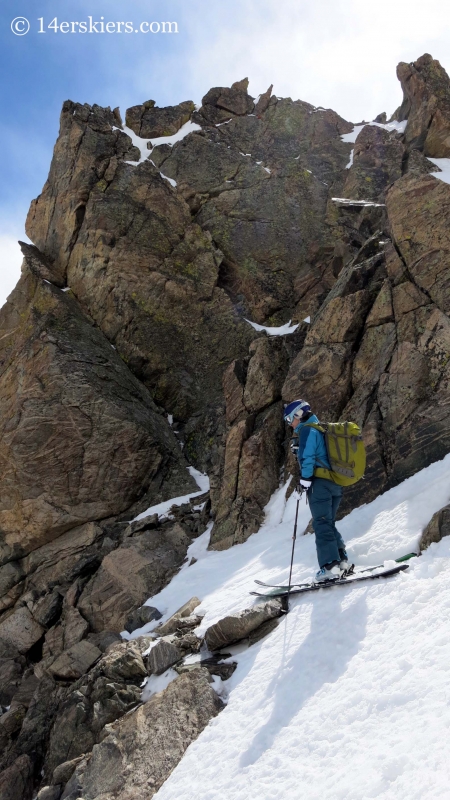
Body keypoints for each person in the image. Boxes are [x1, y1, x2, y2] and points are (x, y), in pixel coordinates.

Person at [284, 399, 349, 583]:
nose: (290, 424)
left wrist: (304, 482)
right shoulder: (320, 429)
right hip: (335, 483)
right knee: (328, 522)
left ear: (298, 414)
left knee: (321, 524)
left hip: (320, 485)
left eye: (290, 419)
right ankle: (341, 561)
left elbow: (308, 457)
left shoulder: (307, 430)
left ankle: (329, 567)